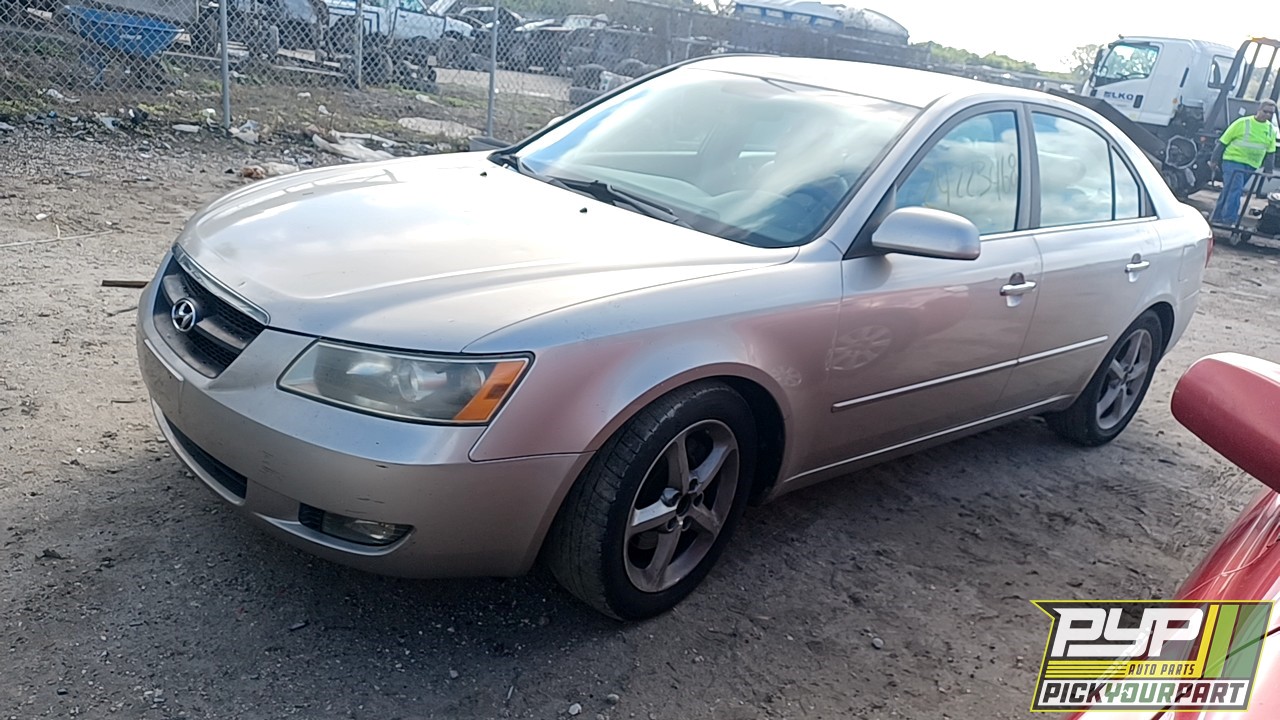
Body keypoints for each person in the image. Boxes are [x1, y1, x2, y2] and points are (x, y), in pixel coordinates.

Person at [1210, 99, 1279, 225]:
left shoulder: (1271, 130)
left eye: (1271, 113)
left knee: (1229, 189)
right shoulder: (1243, 123)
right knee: (1236, 189)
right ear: (1259, 110)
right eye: (1265, 111)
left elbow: (1270, 151)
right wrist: (1214, 160)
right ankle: (1229, 220)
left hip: (1251, 165)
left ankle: (1216, 217)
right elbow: (1223, 142)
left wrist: (1268, 170)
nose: (1268, 115)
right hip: (1233, 161)